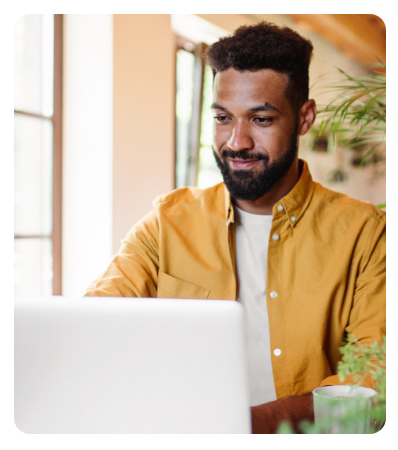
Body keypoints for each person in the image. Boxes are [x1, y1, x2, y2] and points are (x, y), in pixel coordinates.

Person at [85, 22, 386, 433]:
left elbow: (374, 380)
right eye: (223, 118)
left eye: (260, 119)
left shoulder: (367, 234)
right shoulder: (166, 223)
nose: (237, 142)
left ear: (304, 118)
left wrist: (237, 425)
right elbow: (95, 324)